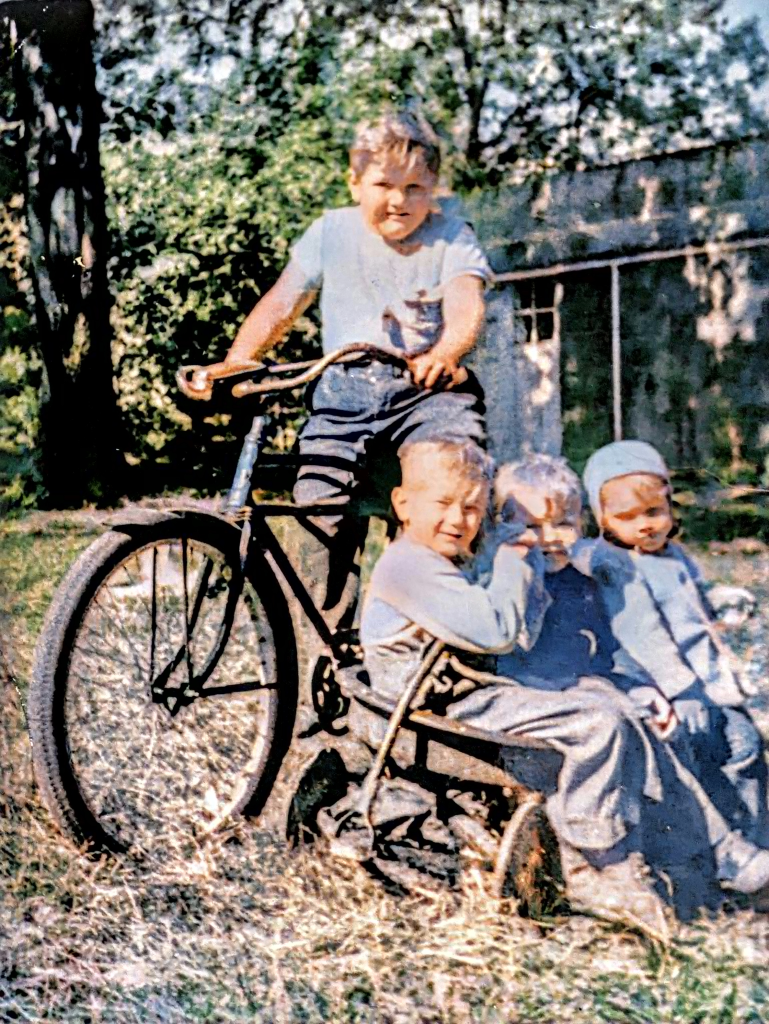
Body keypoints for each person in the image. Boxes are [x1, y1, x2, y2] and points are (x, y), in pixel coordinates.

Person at [188, 109, 491, 628]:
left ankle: (430, 627)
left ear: (434, 188)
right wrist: (239, 361)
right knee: (317, 505)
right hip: (342, 396)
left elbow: (467, 303)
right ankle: (334, 644)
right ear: (355, 184)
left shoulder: (451, 236)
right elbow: (283, 301)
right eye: (384, 185)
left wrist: (446, 351)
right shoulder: (332, 233)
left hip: (426, 392)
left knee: (444, 482)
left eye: (416, 187)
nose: (399, 200)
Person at [360, 439, 674, 940]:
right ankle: (592, 863)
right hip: (438, 708)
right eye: (442, 504)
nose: (457, 520)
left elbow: (521, 630)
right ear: (402, 505)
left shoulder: (438, 556)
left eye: (471, 508)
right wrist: (511, 560)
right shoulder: (407, 565)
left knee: (603, 702)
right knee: (599, 723)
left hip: (462, 694)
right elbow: (498, 631)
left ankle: (623, 842)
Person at [576, 439, 769, 890]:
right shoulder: (617, 565)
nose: (645, 527)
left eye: (653, 513)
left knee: (743, 751)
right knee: (707, 760)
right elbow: (643, 634)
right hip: (669, 690)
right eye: (626, 518)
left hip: (710, 684)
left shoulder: (672, 555)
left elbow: (692, 600)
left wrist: (719, 602)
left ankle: (753, 841)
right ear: (601, 517)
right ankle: (716, 859)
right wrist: (681, 691)